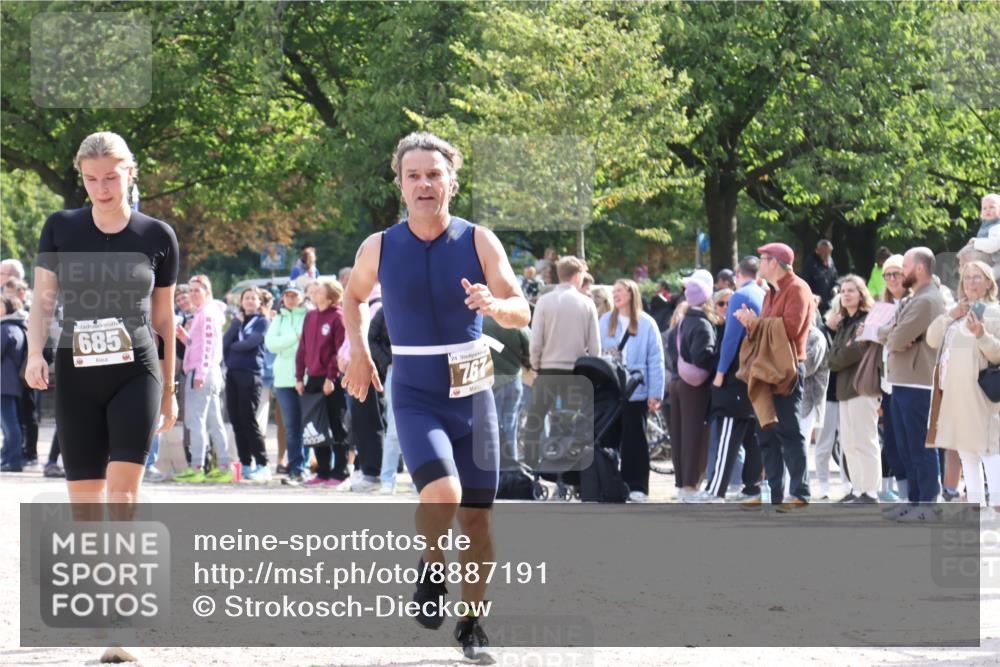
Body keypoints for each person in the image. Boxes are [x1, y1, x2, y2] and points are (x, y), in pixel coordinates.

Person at [340, 132, 530, 662]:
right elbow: (352, 299)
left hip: (473, 392)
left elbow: (522, 309)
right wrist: (358, 351)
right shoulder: (378, 246)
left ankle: (471, 621)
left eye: (433, 174)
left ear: (452, 180)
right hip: (416, 389)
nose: (424, 183)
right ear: (400, 185)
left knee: (477, 518)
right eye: (413, 175)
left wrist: (494, 304)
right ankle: (430, 563)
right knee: (441, 494)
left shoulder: (479, 240)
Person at [24, 132, 179, 664]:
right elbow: (43, 303)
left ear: (130, 172)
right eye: (92, 179)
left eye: (111, 176)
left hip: (136, 370)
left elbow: (164, 320)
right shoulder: (61, 228)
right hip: (75, 373)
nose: (102, 188)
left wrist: (170, 390)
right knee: (85, 507)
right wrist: (34, 353)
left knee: (123, 498)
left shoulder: (157, 235)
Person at [735, 243, 815, 511]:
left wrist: (755, 323)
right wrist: (751, 324)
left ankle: (800, 493)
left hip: (788, 369)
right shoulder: (771, 292)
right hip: (767, 369)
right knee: (765, 431)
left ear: (777, 262)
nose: (759, 263)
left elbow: (790, 329)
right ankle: (774, 493)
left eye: (764, 258)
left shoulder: (798, 288)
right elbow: (768, 331)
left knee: (789, 430)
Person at [877, 247, 946, 522]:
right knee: (907, 448)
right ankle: (915, 502)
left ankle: (928, 505)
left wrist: (895, 334)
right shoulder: (916, 299)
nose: (900, 273)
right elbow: (890, 333)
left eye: (904, 267)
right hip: (905, 381)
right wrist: (894, 333)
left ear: (918, 269)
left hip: (919, 384)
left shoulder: (925, 300)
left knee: (920, 447)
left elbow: (893, 339)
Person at [926, 261, 1000, 511]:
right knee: (966, 451)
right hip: (952, 392)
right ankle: (976, 506)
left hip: (979, 394)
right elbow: (932, 339)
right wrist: (950, 315)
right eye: (966, 277)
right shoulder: (956, 312)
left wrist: (981, 334)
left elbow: (997, 353)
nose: (970, 282)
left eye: (977, 277)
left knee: (988, 450)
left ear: (989, 282)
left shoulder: (994, 313)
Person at [526, 256, 602, 471]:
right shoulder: (586, 303)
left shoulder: (544, 301)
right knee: (573, 424)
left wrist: (536, 365)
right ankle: (570, 468)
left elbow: (536, 340)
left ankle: (531, 467)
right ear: (577, 276)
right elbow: (595, 346)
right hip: (576, 373)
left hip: (547, 370)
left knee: (535, 421)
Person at [700, 257, 766, 503]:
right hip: (757, 374)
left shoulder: (741, 296)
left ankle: (715, 490)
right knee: (751, 435)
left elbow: (731, 339)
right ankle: (752, 487)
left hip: (737, 374)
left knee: (728, 432)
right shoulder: (763, 295)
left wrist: (720, 373)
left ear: (738, 273)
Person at [599, 278, 664, 502]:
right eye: (614, 291)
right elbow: (597, 350)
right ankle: (610, 485)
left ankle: (637, 487)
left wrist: (656, 392)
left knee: (635, 440)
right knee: (608, 439)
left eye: (620, 291)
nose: (615, 295)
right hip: (611, 389)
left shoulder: (646, 323)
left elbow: (655, 359)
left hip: (636, 389)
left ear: (631, 294)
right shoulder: (606, 320)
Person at [826, 275, 880, 503]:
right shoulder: (844, 323)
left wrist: (841, 352)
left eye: (851, 290)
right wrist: (841, 351)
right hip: (844, 389)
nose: (846, 294)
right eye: (844, 290)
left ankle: (871, 491)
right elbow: (833, 357)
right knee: (849, 442)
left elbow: (847, 355)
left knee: (865, 441)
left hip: (862, 388)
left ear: (861, 294)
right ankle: (858, 489)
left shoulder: (867, 321)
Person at [664, 270, 717, 501]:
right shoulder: (702, 324)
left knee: (679, 435)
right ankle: (691, 486)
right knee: (696, 434)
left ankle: (681, 485)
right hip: (694, 387)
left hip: (677, 382)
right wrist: (721, 360)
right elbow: (702, 356)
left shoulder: (681, 322)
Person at [175, 275, 232, 483]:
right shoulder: (207, 313)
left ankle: (197, 466)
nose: (192, 294)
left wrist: (200, 373)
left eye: (196, 290)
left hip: (202, 373)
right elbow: (198, 343)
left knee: (195, 421)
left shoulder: (206, 313)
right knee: (214, 421)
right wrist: (183, 335)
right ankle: (223, 466)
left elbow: (208, 345)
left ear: (207, 292)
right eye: (190, 290)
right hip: (210, 372)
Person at [296, 278, 349, 486]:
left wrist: (331, 377)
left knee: (336, 424)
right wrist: (299, 377)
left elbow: (339, 351)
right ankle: (323, 471)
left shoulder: (338, 317)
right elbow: (302, 349)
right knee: (315, 426)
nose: (314, 292)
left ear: (330, 296)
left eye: (318, 290)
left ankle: (340, 471)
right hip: (312, 378)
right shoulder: (310, 316)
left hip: (331, 379)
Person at [223, 286, 271, 481]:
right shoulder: (238, 321)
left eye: (253, 298)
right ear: (241, 302)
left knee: (249, 419)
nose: (250, 301)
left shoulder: (262, 321)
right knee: (236, 419)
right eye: (246, 298)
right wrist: (235, 327)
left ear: (260, 302)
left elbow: (251, 343)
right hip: (233, 373)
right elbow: (225, 342)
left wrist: (234, 347)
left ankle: (262, 463)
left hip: (250, 374)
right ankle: (245, 462)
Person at [265, 285, 310, 482]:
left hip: (306, 376)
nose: (290, 299)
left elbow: (307, 343)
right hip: (283, 378)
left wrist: (287, 343)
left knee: (308, 424)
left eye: (294, 295)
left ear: (301, 298)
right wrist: (293, 338)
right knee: (291, 426)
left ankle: (307, 465)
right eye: (287, 295)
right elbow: (271, 344)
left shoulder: (309, 316)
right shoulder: (279, 318)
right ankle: (296, 467)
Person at [876, 255, 909, 501]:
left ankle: (918, 496)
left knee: (911, 444)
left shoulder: (912, 302)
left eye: (896, 274)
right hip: (886, 383)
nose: (892, 279)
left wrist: (885, 332)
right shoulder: (881, 306)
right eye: (888, 275)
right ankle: (905, 493)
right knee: (892, 445)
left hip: (908, 381)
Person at [483, 314, 530, 467]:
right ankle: (512, 468)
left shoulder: (480, 319)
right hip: (512, 378)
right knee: (510, 427)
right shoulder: (514, 318)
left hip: (487, 381)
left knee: (490, 428)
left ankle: (492, 468)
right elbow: (530, 345)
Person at [1, 295, 27, 472]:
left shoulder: (5, 328)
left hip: (4, 382)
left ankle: (13, 459)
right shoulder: (18, 326)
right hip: (11, 382)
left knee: (9, 422)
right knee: (10, 421)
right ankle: (10, 457)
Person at [966, 193, 1000, 274]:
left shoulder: (997, 226)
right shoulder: (986, 225)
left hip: (997, 263)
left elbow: (993, 245)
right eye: (984, 208)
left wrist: (976, 242)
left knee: (987, 277)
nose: (987, 210)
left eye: (992, 207)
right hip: (988, 261)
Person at [804, 239, 839, 315]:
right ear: (818, 251)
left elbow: (836, 279)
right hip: (815, 303)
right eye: (825, 252)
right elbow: (805, 283)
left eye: (829, 252)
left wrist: (836, 287)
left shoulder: (831, 262)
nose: (827, 255)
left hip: (829, 303)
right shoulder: (810, 263)